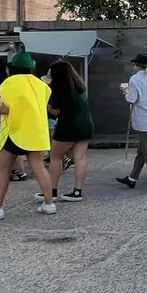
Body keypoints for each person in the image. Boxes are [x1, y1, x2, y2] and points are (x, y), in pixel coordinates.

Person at [0, 52, 55, 220]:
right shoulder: (42, 85)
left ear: (12, 68)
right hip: (35, 132)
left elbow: (5, 108)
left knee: (3, 169)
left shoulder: (8, 83)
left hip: (14, 132)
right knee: (39, 167)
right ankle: (49, 204)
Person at [42, 60, 94, 202]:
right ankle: (77, 191)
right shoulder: (80, 87)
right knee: (80, 158)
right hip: (85, 125)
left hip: (67, 127)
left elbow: (56, 111)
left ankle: (52, 191)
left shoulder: (59, 90)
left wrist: (44, 104)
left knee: (55, 156)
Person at [117, 53, 147, 191]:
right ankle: (132, 178)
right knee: (143, 150)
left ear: (136, 65)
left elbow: (132, 99)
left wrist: (125, 91)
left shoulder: (134, 79)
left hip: (143, 120)